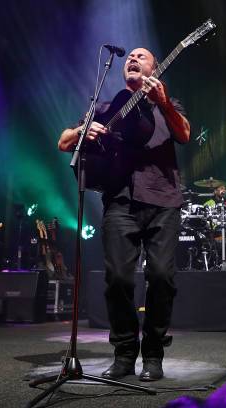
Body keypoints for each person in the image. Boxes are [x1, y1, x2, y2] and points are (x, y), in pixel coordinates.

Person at [58, 47, 190, 381]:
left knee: (161, 276)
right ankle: (125, 352)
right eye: (129, 57)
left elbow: (185, 133)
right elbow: (63, 142)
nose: (132, 59)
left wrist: (161, 101)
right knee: (118, 278)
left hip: (163, 200)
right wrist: (82, 133)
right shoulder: (106, 107)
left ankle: (154, 354)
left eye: (141, 56)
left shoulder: (166, 103)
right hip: (120, 202)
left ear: (154, 68)